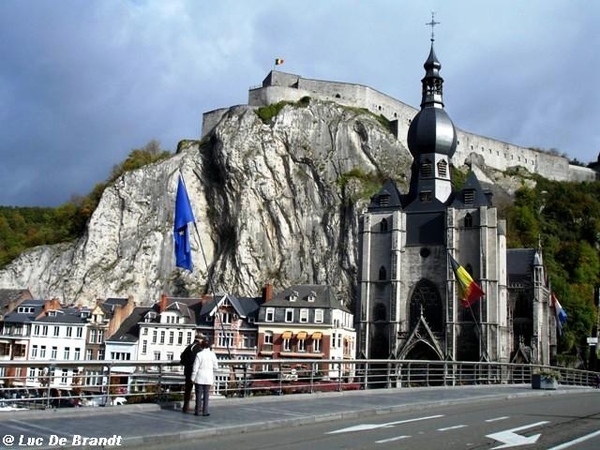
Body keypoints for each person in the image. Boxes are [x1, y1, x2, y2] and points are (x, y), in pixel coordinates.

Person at [191, 339, 219, 416]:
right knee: (206, 395)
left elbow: (195, 368)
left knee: (198, 394)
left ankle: (197, 411)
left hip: (199, 376)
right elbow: (216, 367)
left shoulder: (199, 354)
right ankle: (205, 411)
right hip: (208, 377)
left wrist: (192, 378)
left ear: (201, 346)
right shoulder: (212, 354)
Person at [180, 333, 205, 413]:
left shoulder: (189, 346)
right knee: (198, 389)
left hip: (188, 371)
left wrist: (187, 365)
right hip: (197, 372)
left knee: (188, 389)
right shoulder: (200, 348)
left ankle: (185, 407)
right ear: (200, 340)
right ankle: (198, 407)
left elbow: (182, 358)